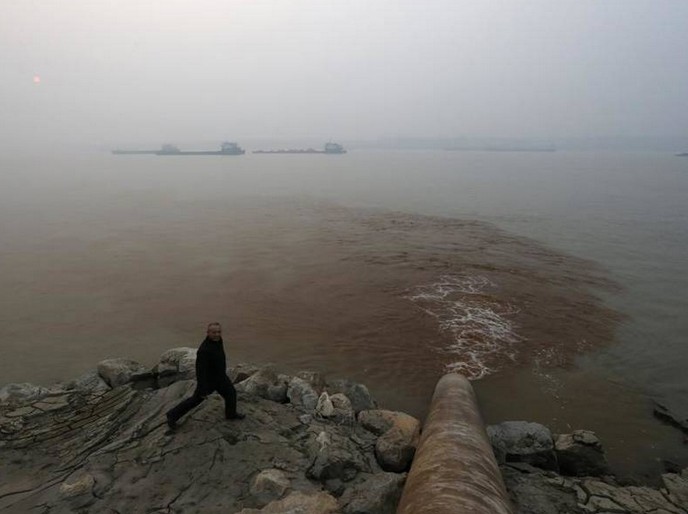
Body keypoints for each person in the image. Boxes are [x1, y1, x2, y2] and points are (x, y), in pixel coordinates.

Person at [166, 322, 245, 430]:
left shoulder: (218, 341)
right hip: (209, 381)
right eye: (214, 332)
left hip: (221, 377)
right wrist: (202, 387)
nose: (217, 334)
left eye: (219, 332)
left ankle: (231, 414)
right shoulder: (204, 350)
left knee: (231, 394)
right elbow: (200, 371)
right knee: (195, 400)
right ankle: (172, 415)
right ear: (208, 333)